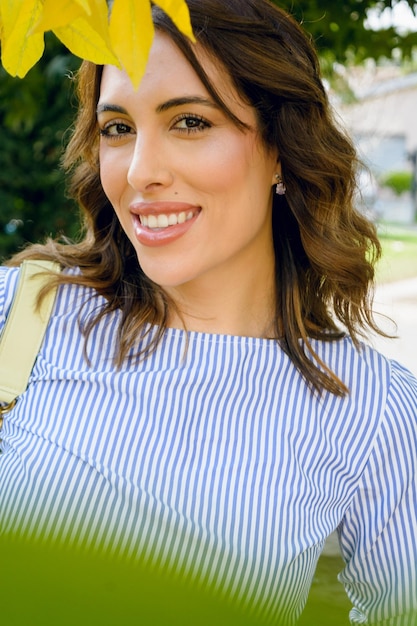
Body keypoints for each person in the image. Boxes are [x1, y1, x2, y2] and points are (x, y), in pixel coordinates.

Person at [0, 0, 416, 624]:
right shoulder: (21, 313)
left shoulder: (371, 410)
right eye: (118, 129)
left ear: (281, 148)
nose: (141, 171)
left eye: (190, 122)